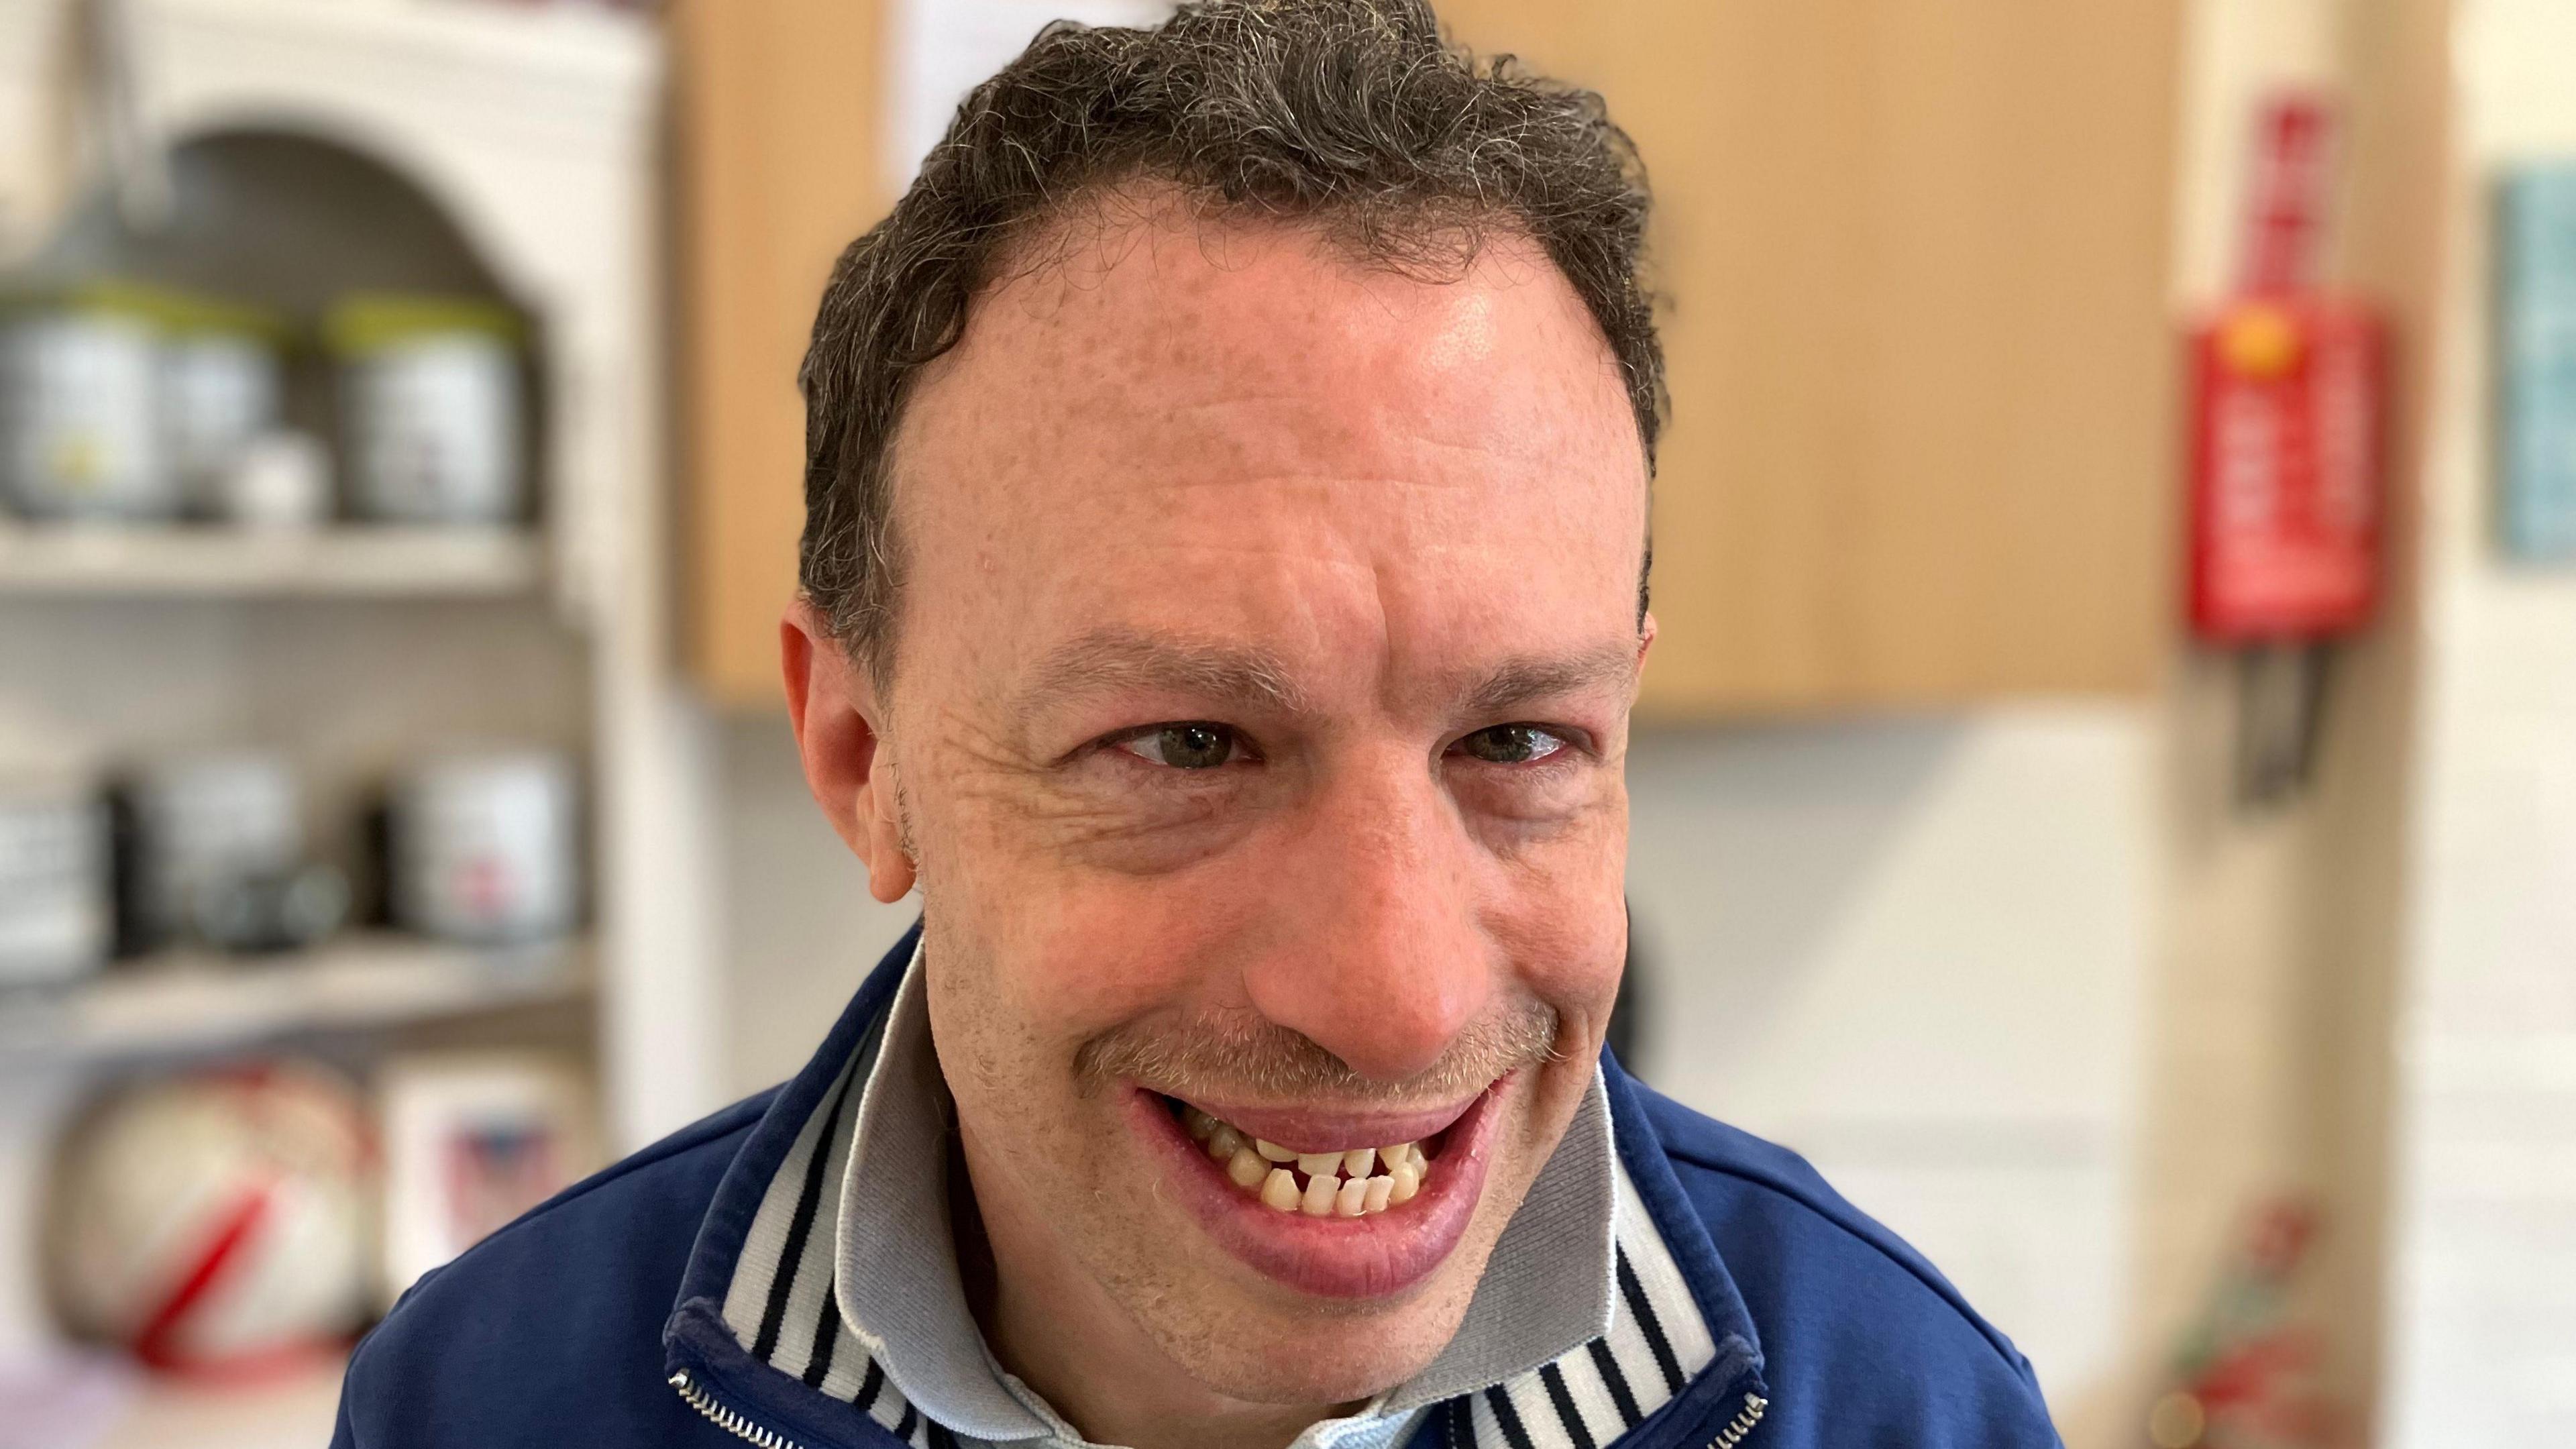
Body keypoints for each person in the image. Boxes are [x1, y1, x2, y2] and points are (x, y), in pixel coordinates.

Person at [331, 4, 2061, 1446]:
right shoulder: (490, 1402)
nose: (1402, 1004)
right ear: (867, 758)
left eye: (1518, 742)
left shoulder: (1903, 1408)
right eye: (1187, 746)